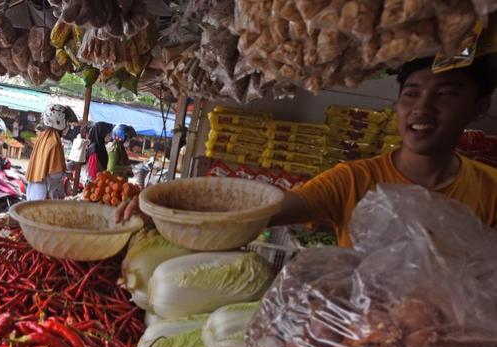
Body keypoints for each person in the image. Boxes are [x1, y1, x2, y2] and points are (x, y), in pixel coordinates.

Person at [118, 55, 497, 234]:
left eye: (446, 94)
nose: (423, 108)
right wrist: (166, 206)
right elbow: (268, 208)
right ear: (398, 104)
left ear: (480, 107)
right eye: (412, 94)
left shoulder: (491, 193)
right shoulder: (353, 180)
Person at [25, 104, 71, 200]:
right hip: (45, 194)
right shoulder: (54, 142)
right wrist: (66, 173)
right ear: (59, 122)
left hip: (34, 191)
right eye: (67, 122)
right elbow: (55, 174)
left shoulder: (43, 136)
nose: (68, 126)